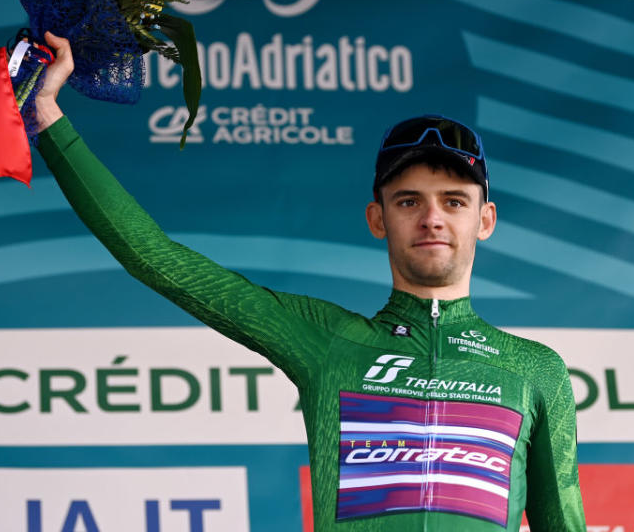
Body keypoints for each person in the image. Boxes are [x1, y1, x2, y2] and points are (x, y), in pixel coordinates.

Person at [31, 32, 587, 531]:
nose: (432, 218)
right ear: (378, 219)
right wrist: (50, 119)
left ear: (484, 220)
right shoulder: (325, 339)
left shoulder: (535, 370)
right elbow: (155, 257)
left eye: (454, 201)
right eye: (409, 200)